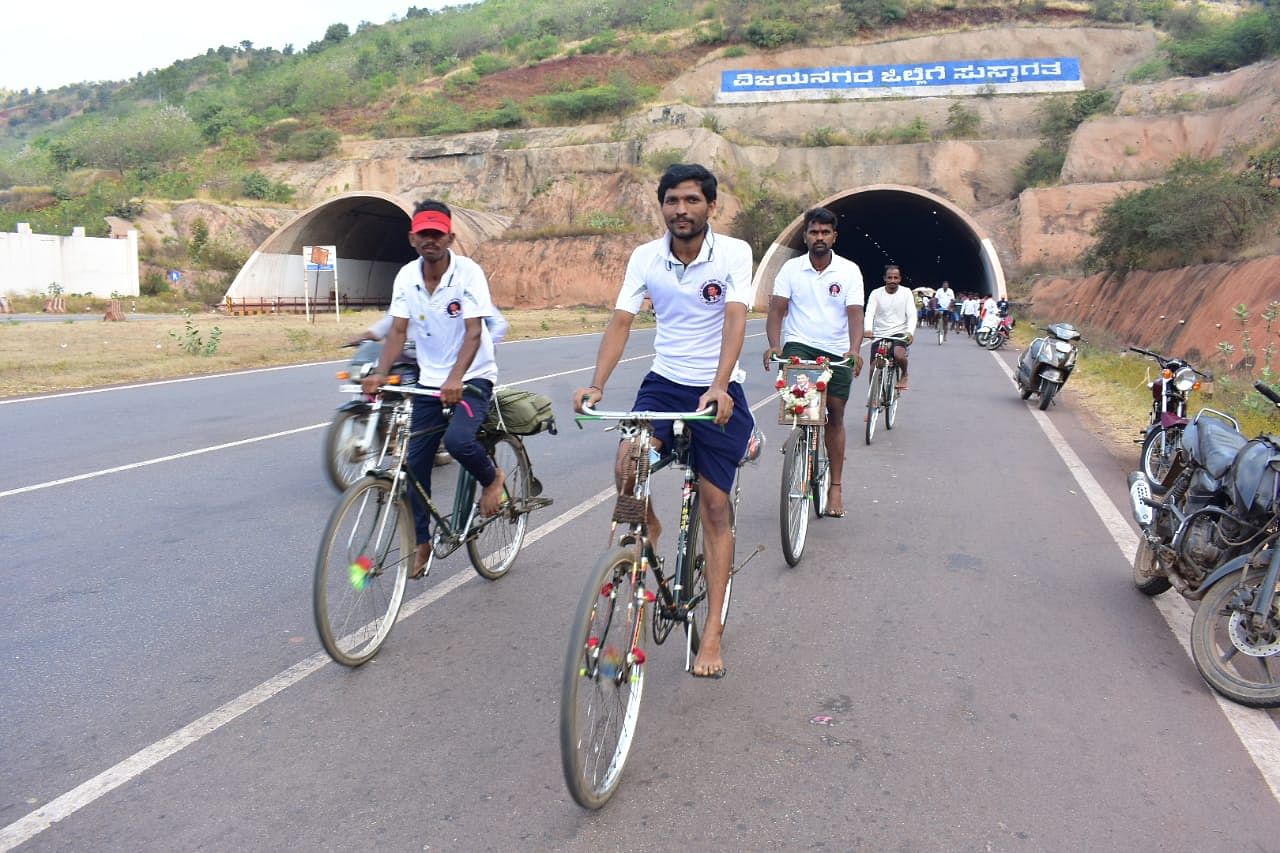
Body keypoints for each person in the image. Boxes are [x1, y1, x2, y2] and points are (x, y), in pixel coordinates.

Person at [573, 163, 754, 680]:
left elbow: (737, 317)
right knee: (628, 463)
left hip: (717, 387)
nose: (682, 210)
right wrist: (597, 384)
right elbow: (622, 321)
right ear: (662, 206)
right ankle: (649, 522)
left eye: (692, 200)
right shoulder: (646, 257)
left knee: (716, 505)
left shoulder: (734, 253)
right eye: (673, 200)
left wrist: (719, 385)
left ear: (710, 207)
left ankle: (713, 628)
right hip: (664, 381)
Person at [361, 200, 506, 579]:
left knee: (458, 442)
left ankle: (493, 479)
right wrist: (380, 372)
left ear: (450, 237)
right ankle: (421, 541)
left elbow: (475, 332)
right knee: (413, 464)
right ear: (412, 238)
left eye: (437, 234)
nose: (430, 240)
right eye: (423, 234)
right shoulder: (406, 277)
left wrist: (457, 377)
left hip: (473, 376)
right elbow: (396, 330)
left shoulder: (468, 274)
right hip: (428, 382)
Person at [763, 206, 864, 518]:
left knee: (834, 415)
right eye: (813, 232)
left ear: (834, 236)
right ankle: (801, 444)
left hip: (835, 350)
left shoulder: (849, 271)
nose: (819, 237)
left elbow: (855, 315)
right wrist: (774, 345)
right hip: (800, 346)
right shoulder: (791, 270)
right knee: (802, 410)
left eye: (825, 232)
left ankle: (835, 486)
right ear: (805, 236)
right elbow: (777, 311)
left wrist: (854, 349)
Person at [863, 264, 917, 391]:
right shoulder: (876, 293)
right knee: (873, 366)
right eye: (890, 277)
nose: (892, 280)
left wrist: (910, 332)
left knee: (898, 355)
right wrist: (868, 329)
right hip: (880, 333)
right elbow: (869, 313)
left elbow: (912, 314)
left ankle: (904, 375)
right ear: (884, 278)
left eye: (895, 277)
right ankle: (872, 401)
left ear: (899, 279)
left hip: (900, 332)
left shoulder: (906, 292)